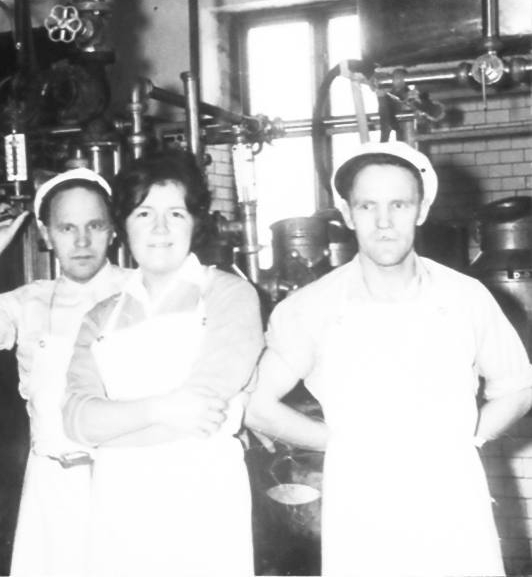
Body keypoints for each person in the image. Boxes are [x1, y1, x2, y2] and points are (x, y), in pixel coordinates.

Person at [245, 140, 532, 577]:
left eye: (399, 204)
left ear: (422, 209)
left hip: (454, 501)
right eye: (367, 206)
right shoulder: (313, 307)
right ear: (347, 213)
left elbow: (519, 387)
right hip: (363, 505)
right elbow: (256, 405)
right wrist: (344, 444)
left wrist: (464, 438)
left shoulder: (465, 297)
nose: (383, 222)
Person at [0, 167, 129, 577]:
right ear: (46, 235)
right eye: (66, 228)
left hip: (126, 484)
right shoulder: (28, 303)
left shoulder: (141, 290)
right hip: (52, 489)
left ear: (113, 230)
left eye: (94, 225)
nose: (82, 241)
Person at [63, 150, 264, 577]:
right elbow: (77, 421)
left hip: (202, 496)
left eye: (175, 213)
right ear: (123, 227)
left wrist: (113, 425)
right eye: (143, 214)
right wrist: (163, 409)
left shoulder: (229, 295)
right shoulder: (99, 317)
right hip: (118, 504)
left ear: (195, 223)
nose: (159, 228)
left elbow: (205, 403)